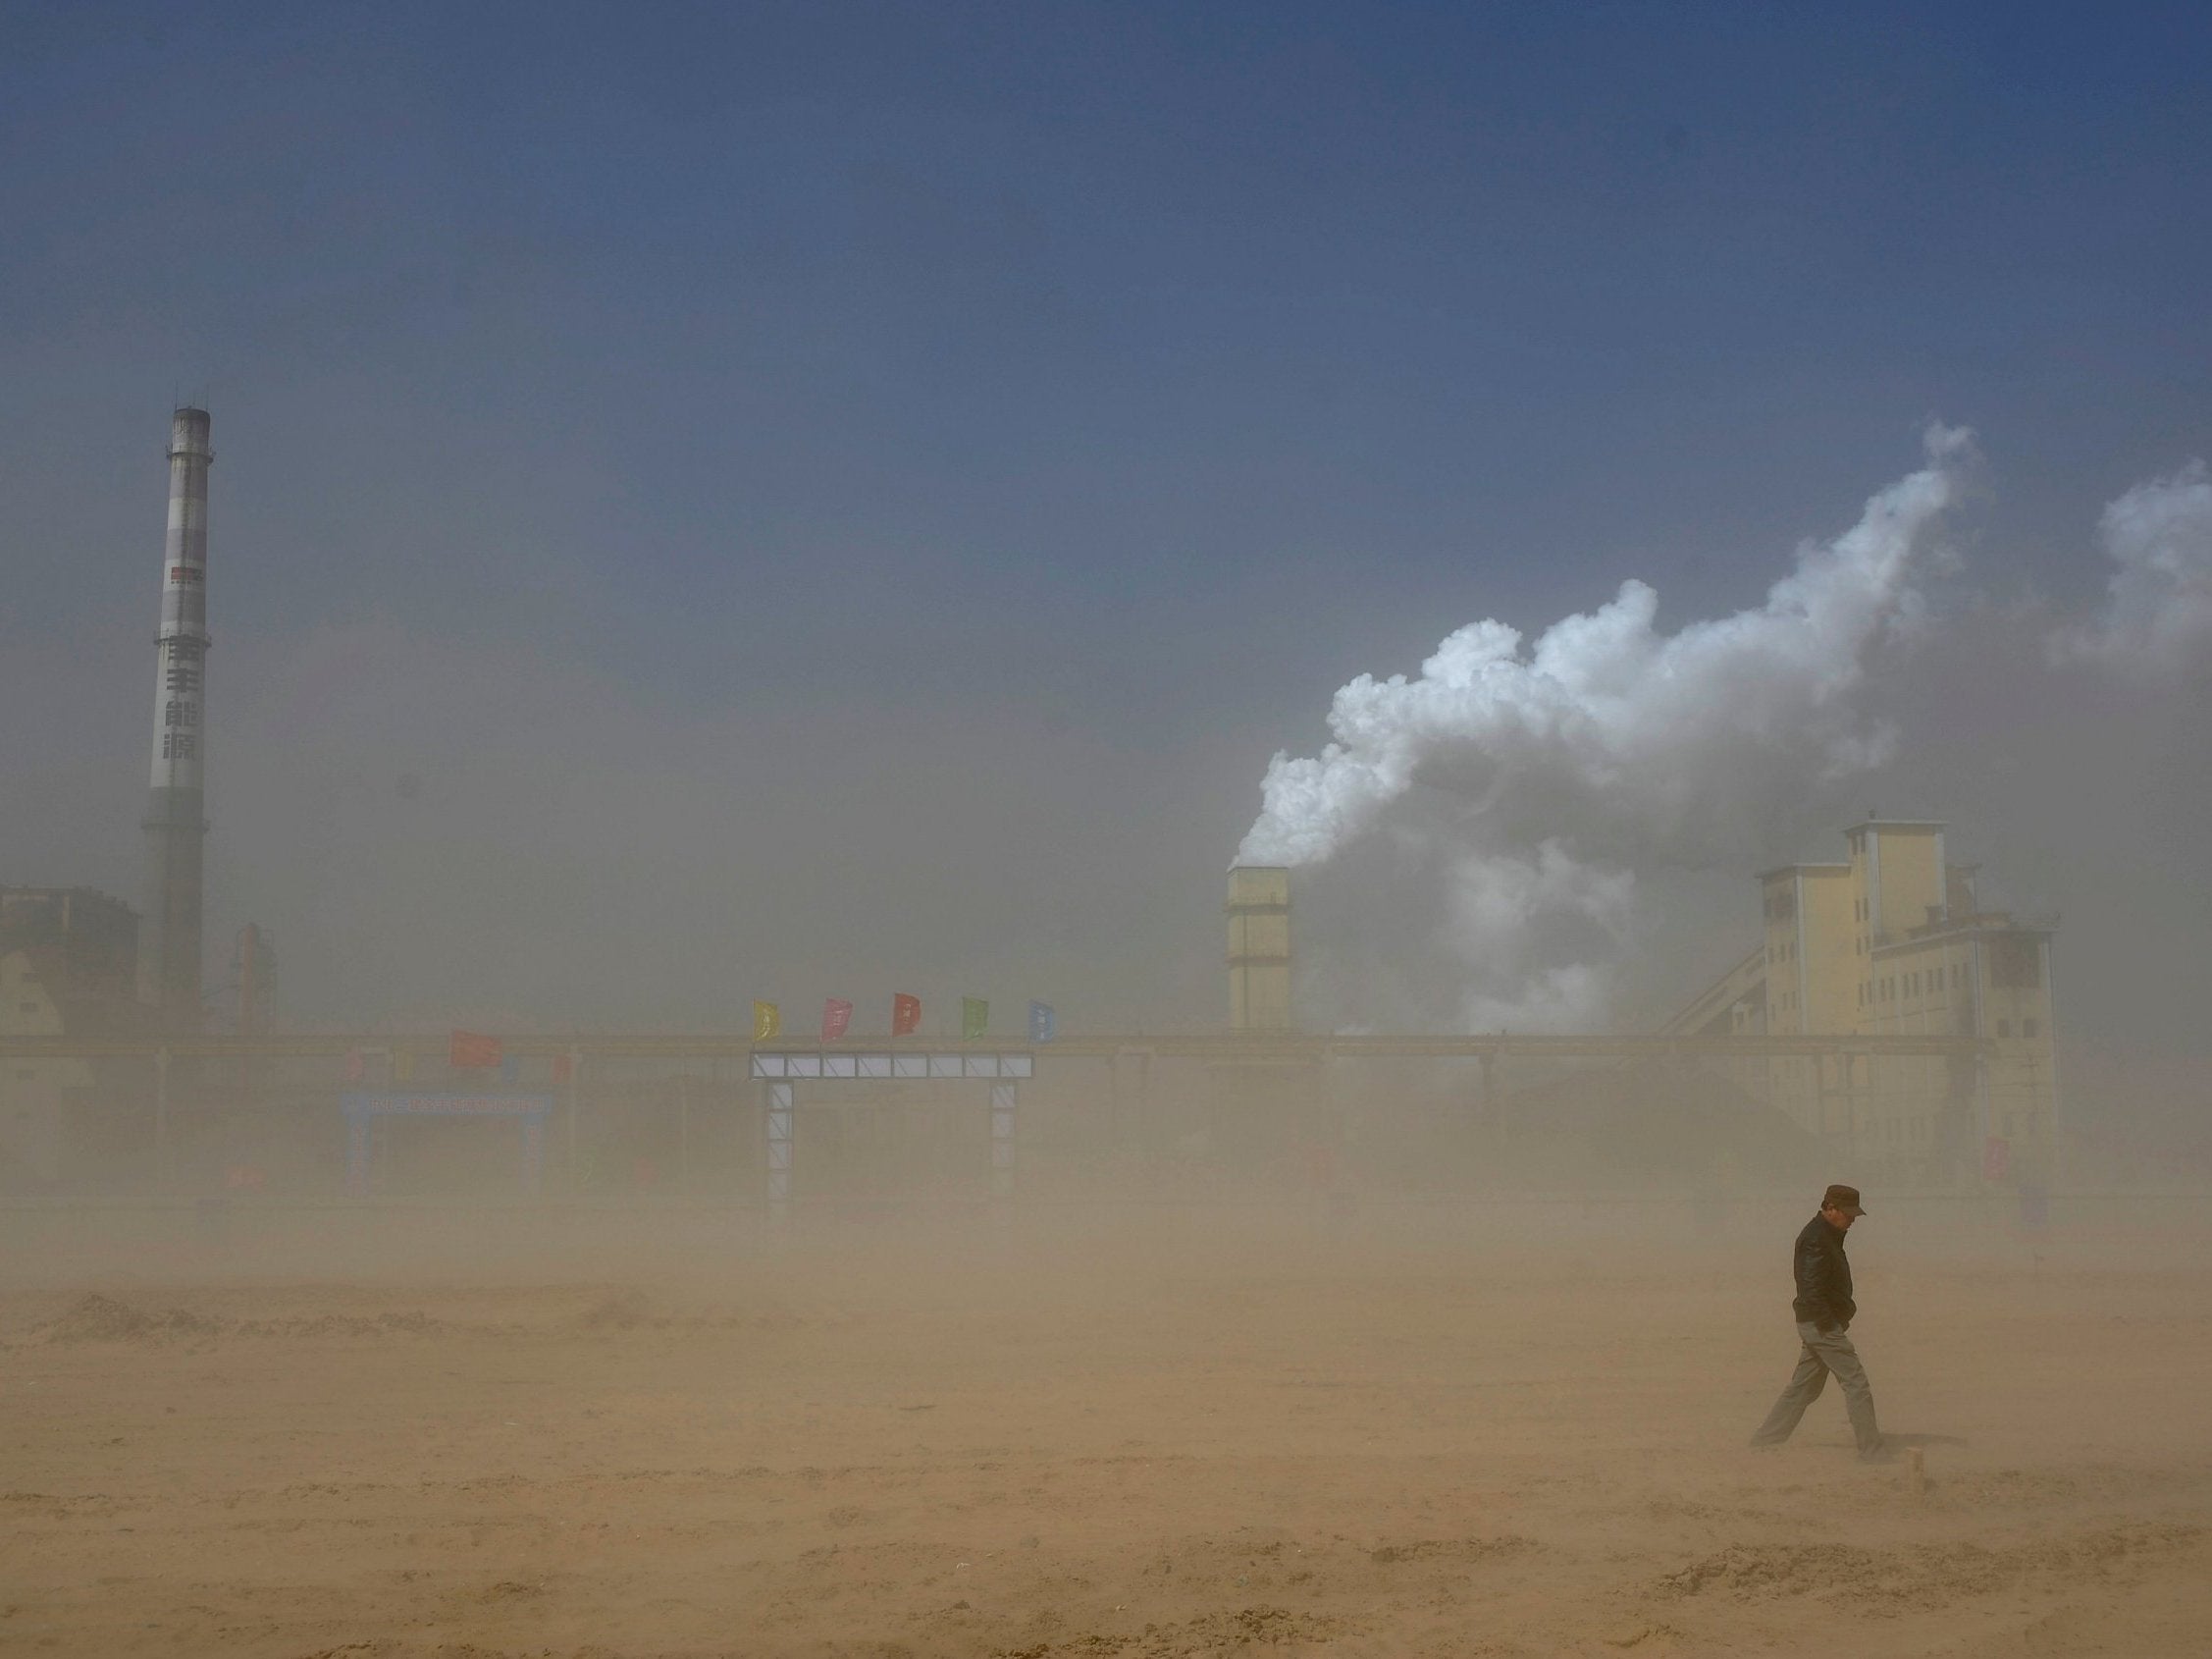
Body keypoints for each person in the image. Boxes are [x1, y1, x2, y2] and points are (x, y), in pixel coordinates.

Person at [1749, 1183, 1886, 1460]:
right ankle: (1873, 1453)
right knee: (1856, 1382)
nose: (1852, 1221)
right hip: (1821, 1325)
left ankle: (1765, 1440)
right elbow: (1810, 1289)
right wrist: (1829, 1325)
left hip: (1817, 1323)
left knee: (1804, 1387)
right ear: (1830, 1207)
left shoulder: (1829, 1234)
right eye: (1848, 1214)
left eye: (1854, 1216)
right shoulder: (1816, 1238)